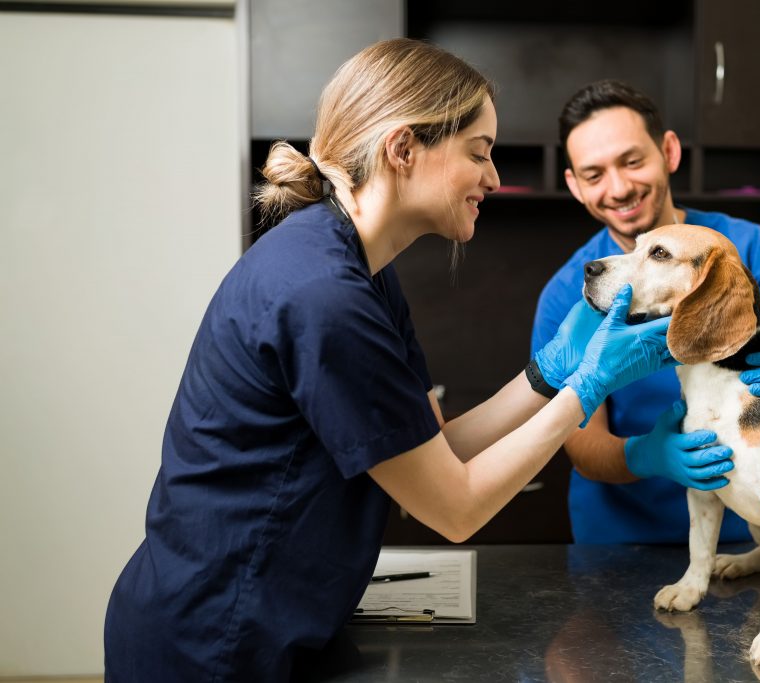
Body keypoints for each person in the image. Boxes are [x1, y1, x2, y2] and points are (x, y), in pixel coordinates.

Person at [103, 42, 677, 682]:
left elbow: (431, 449)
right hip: (217, 637)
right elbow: (454, 508)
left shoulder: (360, 269)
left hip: (272, 617)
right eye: (479, 153)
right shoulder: (323, 296)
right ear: (403, 149)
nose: (492, 177)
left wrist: (550, 372)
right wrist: (587, 386)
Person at [531, 79, 760, 545]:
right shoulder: (572, 294)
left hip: (752, 535)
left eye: (632, 161)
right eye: (594, 174)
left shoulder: (749, 252)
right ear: (575, 186)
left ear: (669, 152)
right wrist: (646, 455)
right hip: (622, 544)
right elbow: (580, 443)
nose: (618, 188)